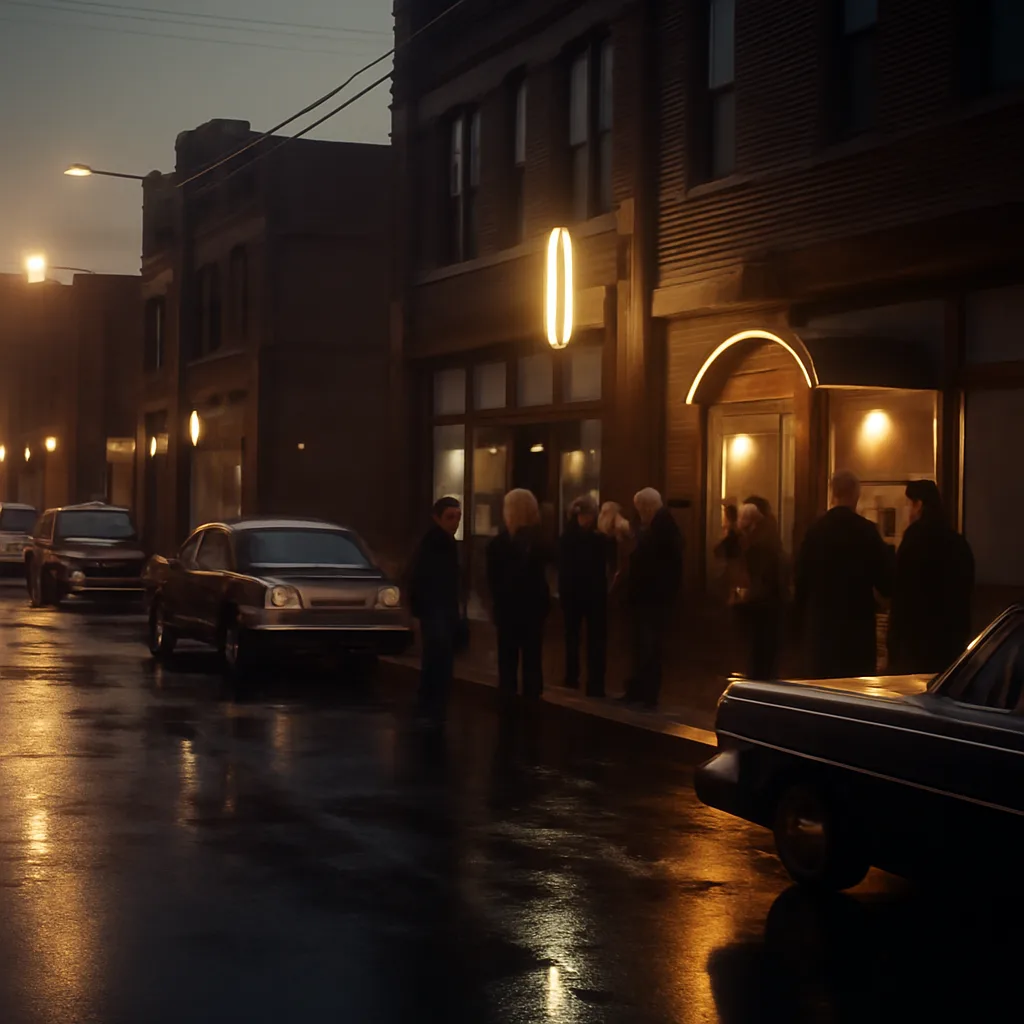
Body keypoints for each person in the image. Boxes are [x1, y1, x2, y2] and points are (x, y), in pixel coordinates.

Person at [794, 470, 894, 678]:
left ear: (833, 494)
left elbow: (801, 580)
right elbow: (886, 581)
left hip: (821, 628)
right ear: (856, 495)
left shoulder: (815, 531)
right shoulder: (867, 531)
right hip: (856, 628)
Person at [888, 480, 975, 674]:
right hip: (949, 645)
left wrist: (894, 644)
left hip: (915, 645)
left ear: (919, 505)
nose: (908, 512)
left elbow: (901, 593)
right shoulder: (957, 542)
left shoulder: (914, 540)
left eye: (909, 504)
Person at [486, 489, 551, 698]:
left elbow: (492, 580)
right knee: (531, 660)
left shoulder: (500, 544)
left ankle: (510, 703)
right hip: (529, 609)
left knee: (508, 661)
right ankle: (529, 703)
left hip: (510, 609)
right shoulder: (539, 541)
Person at [622, 487, 683, 708]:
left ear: (647, 508)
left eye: (640, 510)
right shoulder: (657, 527)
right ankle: (638, 690)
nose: (639, 515)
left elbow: (657, 563)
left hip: (653, 599)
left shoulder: (662, 529)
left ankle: (647, 695)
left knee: (649, 648)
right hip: (647, 598)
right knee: (641, 647)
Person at [407, 496, 464, 724]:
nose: (455, 522)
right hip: (435, 611)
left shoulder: (448, 543)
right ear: (437, 518)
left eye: (458, 517)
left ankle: (431, 706)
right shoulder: (433, 544)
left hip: (443, 611)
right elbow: (420, 579)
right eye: (450, 517)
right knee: (437, 659)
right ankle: (431, 706)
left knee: (438, 659)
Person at [559, 495, 613, 697]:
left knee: (585, 638)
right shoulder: (593, 538)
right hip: (586, 594)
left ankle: (584, 679)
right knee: (584, 638)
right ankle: (583, 679)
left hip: (582, 594)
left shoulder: (570, 537)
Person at [734, 502, 784, 679]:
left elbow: (759, 576)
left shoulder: (758, 543)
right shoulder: (767, 536)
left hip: (761, 605)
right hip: (767, 604)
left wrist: (746, 595)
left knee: (759, 653)